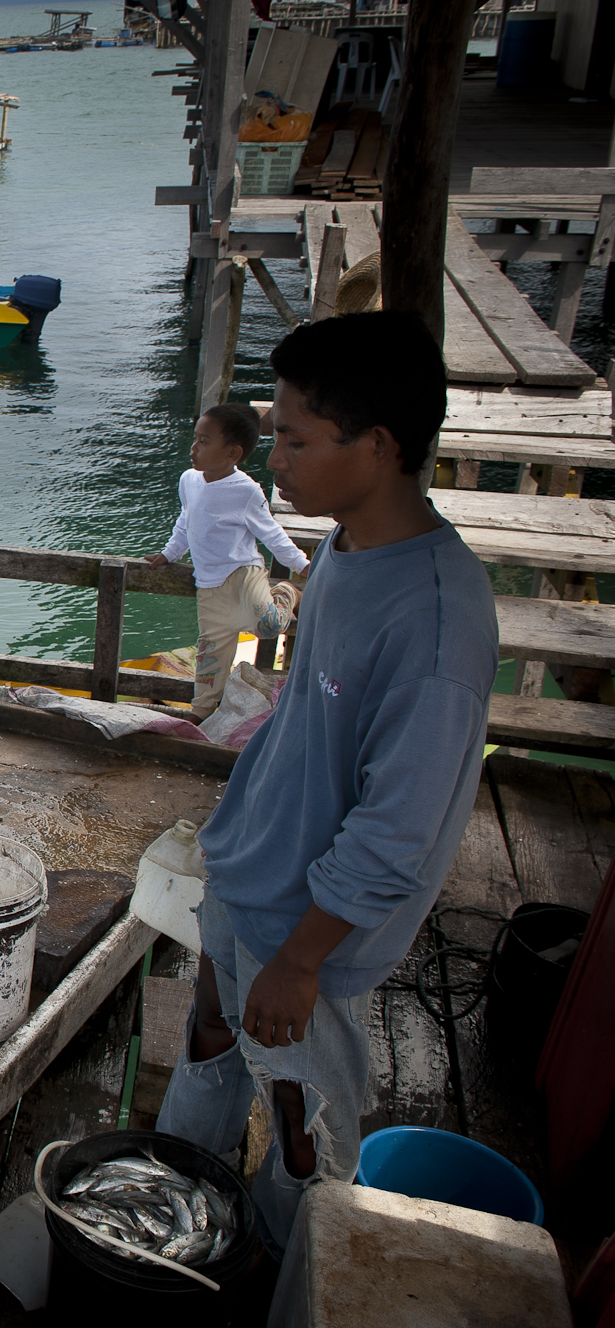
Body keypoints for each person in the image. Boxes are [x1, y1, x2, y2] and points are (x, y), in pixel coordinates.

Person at [156, 312, 500, 1250]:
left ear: (378, 445)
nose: (276, 462)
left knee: (301, 1124)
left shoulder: (438, 623)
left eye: (298, 440)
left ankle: (283, 1266)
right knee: (211, 1037)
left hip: (310, 927)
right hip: (248, 868)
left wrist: (302, 960)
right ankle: (168, 1202)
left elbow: (397, 831)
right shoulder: (346, 549)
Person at [143, 401, 311, 719]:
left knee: (270, 627)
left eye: (204, 441)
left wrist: (302, 565)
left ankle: (288, 593)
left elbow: (271, 533)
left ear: (233, 453)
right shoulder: (189, 480)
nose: (194, 448)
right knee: (211, 654)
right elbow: (186, 523)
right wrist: (169, 553)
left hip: (242, 574)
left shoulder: (246, 491)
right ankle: (202, 711)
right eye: (195, 438)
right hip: (209, 586)